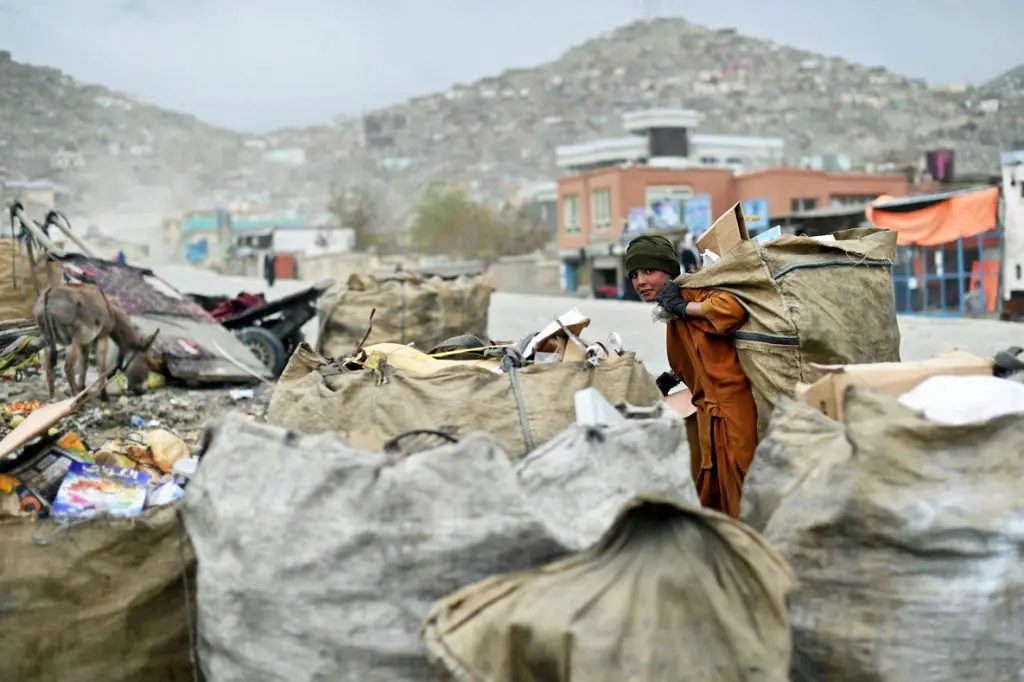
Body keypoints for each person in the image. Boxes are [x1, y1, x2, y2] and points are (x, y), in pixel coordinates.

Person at [625, 234, 758, 519]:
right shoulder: (670, 308)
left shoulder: (692, 292)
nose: (641, 281)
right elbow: (699, 352)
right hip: (707, 413)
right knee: (710, 490)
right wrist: (673, 377)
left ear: (670, 270)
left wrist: (684, 308)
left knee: (743, 487)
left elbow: (730, 309)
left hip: (734, 410)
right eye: (635, 275)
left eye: (649, 271)